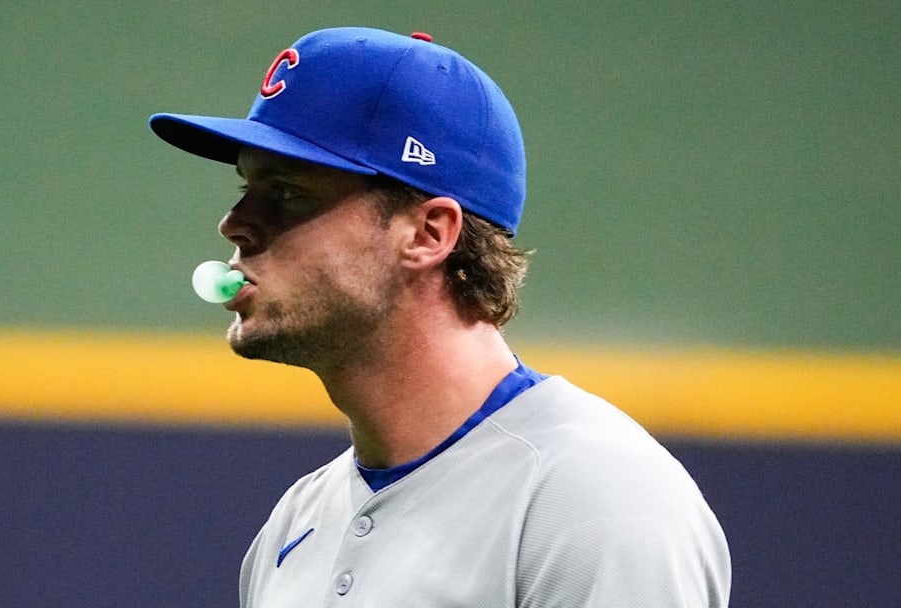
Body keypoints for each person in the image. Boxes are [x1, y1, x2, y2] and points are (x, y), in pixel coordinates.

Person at [149, 26, 730, 607]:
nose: (235, 223)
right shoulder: (296, 525)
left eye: (289, 192)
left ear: (429, 234)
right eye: (248, 186)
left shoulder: (591, 499)